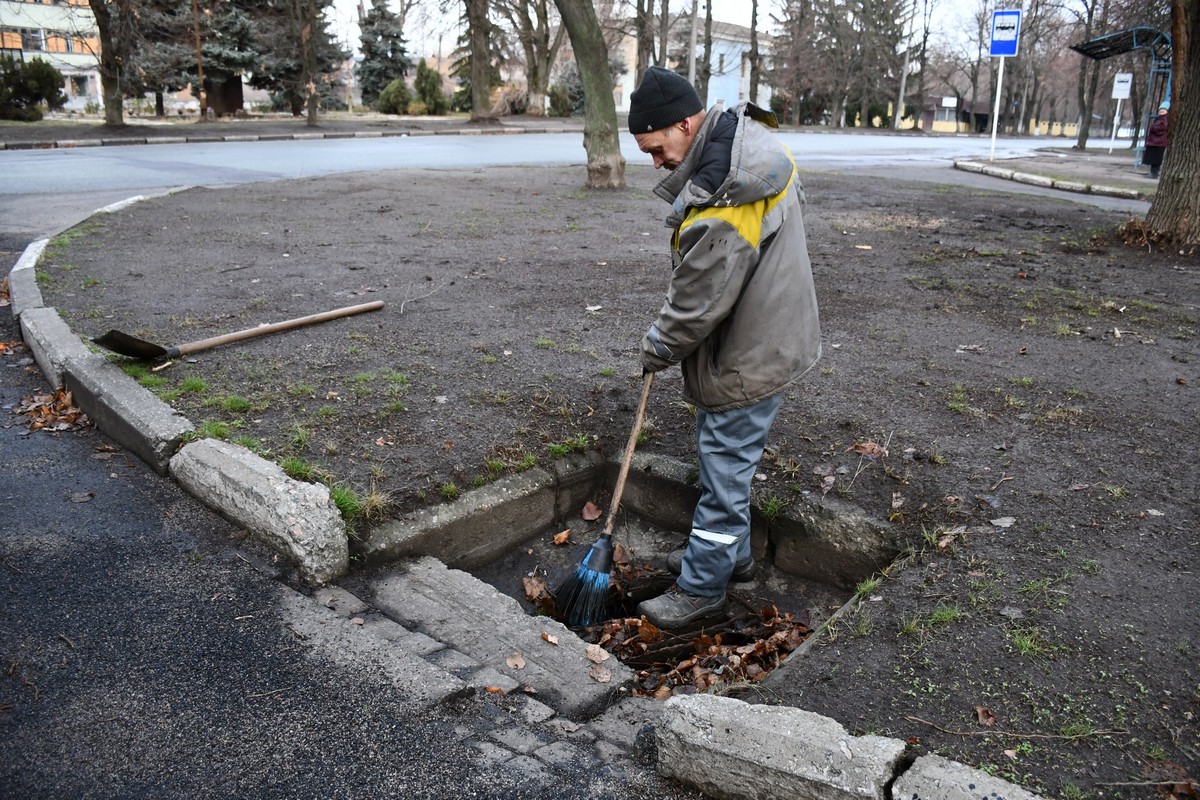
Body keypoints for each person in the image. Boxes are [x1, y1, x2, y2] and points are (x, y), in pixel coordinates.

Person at [628, 66, 821, 628]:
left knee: (724, 467)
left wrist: (658, 346)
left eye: (657, 148)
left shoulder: (724, 189)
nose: (657, 162)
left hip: (751, 351)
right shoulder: (743, 148)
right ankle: (729, 558)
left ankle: (701, 589)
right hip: (769, 328)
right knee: (725, 464)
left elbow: (700, 295)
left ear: (685, 125)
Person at [1144, 102, 1170, 179]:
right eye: (1161, 109)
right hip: (1156, 142)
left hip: (1159, 142)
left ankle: (1154, 173)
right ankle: (1153, 172)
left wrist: (1153, 128)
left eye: (1164, 109)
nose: (1162, 110)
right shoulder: (1160, 118)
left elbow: (1163, 129)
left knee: (1156, 159)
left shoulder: (1165, 118)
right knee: (1153, 158)